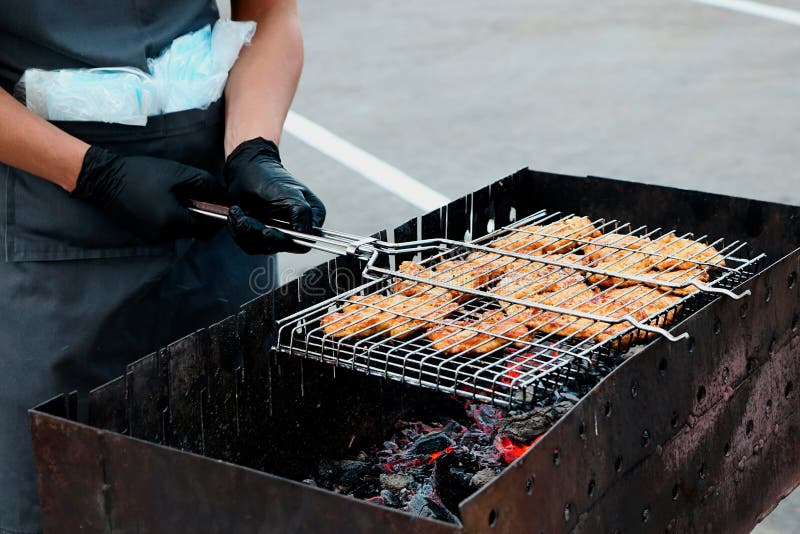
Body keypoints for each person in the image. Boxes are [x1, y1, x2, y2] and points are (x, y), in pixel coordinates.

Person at [0, 1, 325, 531]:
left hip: (213, 216)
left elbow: (270, 13)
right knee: (66, 499)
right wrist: (93, 174)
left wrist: (253, 149)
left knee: (236, 487)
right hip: (53, 243)